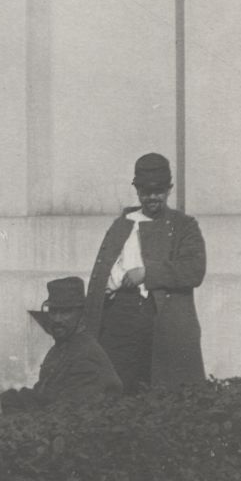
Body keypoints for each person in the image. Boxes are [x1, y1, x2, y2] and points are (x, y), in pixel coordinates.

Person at [82, 153, 206, 393]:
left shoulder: (183, 226)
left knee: (160, 390)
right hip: (119, 317)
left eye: (159, 191)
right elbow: (102, 271)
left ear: (169, 190)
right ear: (137, 191)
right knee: (117, 387)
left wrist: (147, 273)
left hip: (160, 319)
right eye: (146, 192)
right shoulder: (122, 224)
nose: (152, 198)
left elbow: (193, 270)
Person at [0, 276, 122, 419]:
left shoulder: (87, 356)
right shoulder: (62, 347)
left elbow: (66, 414)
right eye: (53, 311)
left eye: (65, 312)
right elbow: (42, 395)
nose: (57, 319)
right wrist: (1, 400)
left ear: (81, 314)